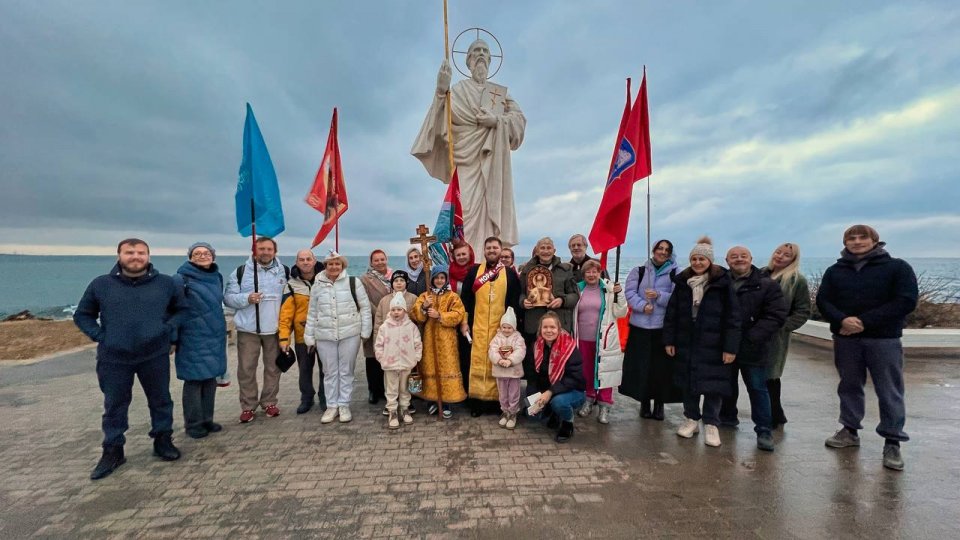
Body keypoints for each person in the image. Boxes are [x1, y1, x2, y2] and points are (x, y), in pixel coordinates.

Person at [74, 238, 188, 480]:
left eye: (141, 253)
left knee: (160, 400)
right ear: (119, 255)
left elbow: (182, 309)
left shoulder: (166, 283)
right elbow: (83, 315)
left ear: (148, 256)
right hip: (114, 357)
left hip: (154, 354)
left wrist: (166, 329)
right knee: (114, 405)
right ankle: (113, 451)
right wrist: (101, 336)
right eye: (130, 252)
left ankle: (163, 440)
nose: (135, 257)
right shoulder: (101, 284)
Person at [817, 225, 918, 471]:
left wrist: (863, 322)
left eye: (863, 237)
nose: (857, 241)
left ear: (875, 241)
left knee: (889, 390)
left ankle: (892, 441)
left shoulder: (897, 267)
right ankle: (849, 430)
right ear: (845, 242)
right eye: (852, 238)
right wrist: (842, 320)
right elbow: (823, 300)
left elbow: (906, 300)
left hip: (884, 339)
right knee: (849, 385)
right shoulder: (835, 271)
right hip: (846, 339)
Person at [412, 38, 526, 251]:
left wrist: (496, 121)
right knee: (465, 214)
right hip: (465, 165)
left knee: (491, 211)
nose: (481, 54)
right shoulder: (457, 92)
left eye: (485, 51)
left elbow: (519, 121)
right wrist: (440, 91)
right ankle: (466, 261)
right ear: (468, 61)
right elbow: (437, 124)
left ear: (491, 60)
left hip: (493, 166)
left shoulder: (499, 94)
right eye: (476, 51)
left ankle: (490, 260)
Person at [663, 237, 741, 448]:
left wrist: (730, 347)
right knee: (688, 384)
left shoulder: (722, 284)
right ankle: (691, 419)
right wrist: (669, 340)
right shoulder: (682, 283)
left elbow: (733, 318)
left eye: (702, 259)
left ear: (710, 261)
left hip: (714, 343)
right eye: (694, 259)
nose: (697, 263)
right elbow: (672, 313)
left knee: (713, 386)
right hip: (686, 341)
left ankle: (711, 423)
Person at [717, 246, 787, 452]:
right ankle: (727, 418)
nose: (739, 260)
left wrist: (752, 336)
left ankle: (764, 430)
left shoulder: (766, 284)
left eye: (743, 256)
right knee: (726, 385)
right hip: (726, 345)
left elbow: (776, 315)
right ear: (727, 260)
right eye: (734, 257)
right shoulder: (721, 283)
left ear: (751, 258)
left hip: (754, 346)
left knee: (757, 389)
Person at [223, 236, 288, 423]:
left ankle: (269, 401)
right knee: (246, 369)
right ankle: (248, 406)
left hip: (274, 329)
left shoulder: (283, 271)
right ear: (254, 250)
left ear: (275, 252)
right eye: (261, 249)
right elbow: (228, 298)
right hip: (248, 329)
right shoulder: (241, 272)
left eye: (269, 249)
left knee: (273, 368)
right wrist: (246, 298)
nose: (265, 252)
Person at [304, 251, 372, 424]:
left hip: (350, 333)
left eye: (337, 264)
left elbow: (364, 307)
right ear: (325, 266)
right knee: (329, 371)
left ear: (343, 266)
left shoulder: (353, 282)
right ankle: (331, 405)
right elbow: (312, 312)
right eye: (330, 264)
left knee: (346, 371)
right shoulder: (317, 285)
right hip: (324, 335)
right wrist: (309, 336)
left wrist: (365, 331)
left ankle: (344, 404)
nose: (334, 267)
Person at [460, 237, 523, 416]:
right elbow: (465, 299)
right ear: (484, 250)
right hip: (477, 328)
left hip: (500, 330)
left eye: (495, 247)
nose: (492, 250)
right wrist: (464, 322)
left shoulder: (509, 274)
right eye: (488, 248)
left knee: (498, 362)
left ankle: (498, 403)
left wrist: (511, 327)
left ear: (500, 250)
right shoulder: (474, 272)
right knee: (476, 364)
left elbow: (514, 302)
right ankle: (476, 403)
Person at [620, 239, 680, 421]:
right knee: (642, 368)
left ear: (670, 253)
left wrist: (660, 296)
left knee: (661, 369)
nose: (662, 252)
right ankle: (644, 402)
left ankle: (659, 404)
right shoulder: (639, 271)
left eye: (666, 250)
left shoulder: (676, 274)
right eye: (659, 248)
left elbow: (678, 298)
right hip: (641, 328)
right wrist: (641, 305)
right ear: (653, 250)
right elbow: (629, 293)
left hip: (662, 328)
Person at [172, 242, 227, 439]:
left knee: (210, 379)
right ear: (190, 257)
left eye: (206, 253)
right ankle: (193, 424)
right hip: (191, 336)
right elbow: (173, 309)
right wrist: (173, 338)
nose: (202, 256)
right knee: (194, 381)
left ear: (213, 256)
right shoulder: (181, 279)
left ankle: (207, 419)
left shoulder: (216, 277)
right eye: (197, 253)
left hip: (214, 335)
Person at [519, 237, 580, 390]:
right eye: (542, 248)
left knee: (558, 364)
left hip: (557, 325)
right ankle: (533, 402)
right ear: (537, 250)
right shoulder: (527, 270)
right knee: (534, 366)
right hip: (534, 324)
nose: (545, 251)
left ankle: (554, 397)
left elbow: (575, 296)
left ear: (554, 250)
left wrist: (562, 300)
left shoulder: (565, 270)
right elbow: (520, 294)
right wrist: (523, 302)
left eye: (548, 248)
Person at [762, 243, 811, 428]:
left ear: (793, 259)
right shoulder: (761, 273)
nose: (780, 257)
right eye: (778, 252)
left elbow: (803, 311)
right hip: (754, 333)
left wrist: (782, 327)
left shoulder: (796, 281)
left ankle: (775, 415)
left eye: (787, 255)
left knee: (771, 376)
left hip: (776, 337)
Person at [573, 260, 627, 424]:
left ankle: (604, 405)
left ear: (600, 273)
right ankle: (589, 399)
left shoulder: (609, 289)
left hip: (603, 339)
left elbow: (621, 312)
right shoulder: (577, 289)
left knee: (605, 371)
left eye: (594, 271)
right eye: (588, 272)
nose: (591, 275)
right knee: (587, 371)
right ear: (584, 274)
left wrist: (620, 294)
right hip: (582, 338)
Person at [412, 267, 468, 418]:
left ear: (446, 279)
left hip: (447, 339)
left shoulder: (453, 296)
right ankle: (432, 401)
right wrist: (423, 307)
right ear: (432, 279)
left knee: (447, 367)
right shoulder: (425, 296)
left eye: (442, 278)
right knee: (429, 366)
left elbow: (458, 314)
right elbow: (416, 315)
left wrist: (440, 315)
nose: (439, 280)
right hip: (429, 338)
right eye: (436, 278)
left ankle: (447, 401)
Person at [279, 249, 326, 415]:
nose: (305, 262)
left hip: (324, 334)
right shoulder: (291, 285)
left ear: (314, 261)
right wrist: (284, 339)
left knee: (325, 369)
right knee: (305, 369)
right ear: (297, 262)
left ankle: (324, 396)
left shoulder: (325, 280)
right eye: (302, 260)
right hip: (302, 335)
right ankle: (306, 398)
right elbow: (285, 315)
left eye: (308, 259)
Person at [530, 312, 587, 443]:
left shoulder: (569, 347)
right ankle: (553, 412)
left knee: (558, 402)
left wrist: (550, 393)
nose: (548, 331)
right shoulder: (537, 345)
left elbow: (573, 379)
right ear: (540, 329)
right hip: (549, 389)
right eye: (545, 327)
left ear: (559, 329)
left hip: (574, 390)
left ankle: (568, 422)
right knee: (531, 412)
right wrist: (533, 394)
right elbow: (532, 373)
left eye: (552, 327)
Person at [373, 270, 419, 416]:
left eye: (402, 280)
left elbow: (419, 323)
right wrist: (379, 353)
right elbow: (379, 324)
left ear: (406, 282)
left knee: (405, 383)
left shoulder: (413, 298)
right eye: (396, 280)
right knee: (391, 383)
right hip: (390, 352)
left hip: (407, 351)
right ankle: (391, 407)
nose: (399, 283)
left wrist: (416, 355)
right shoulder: (385, 301)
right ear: (392, 283)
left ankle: (406, 405)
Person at [375, 293, 423, 429]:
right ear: (390, 311)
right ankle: (392, 411)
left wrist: (416, 358)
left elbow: (418, 343)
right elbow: (378, 345)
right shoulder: (385, 327)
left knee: (404, 388)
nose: (396, 312)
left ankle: (405, 408)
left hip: (407, 363)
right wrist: (381, 358)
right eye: (393, 310)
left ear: (404, 310)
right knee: (391, 389)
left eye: (399, 309)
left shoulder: (411, 327)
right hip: (389, 364)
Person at [360, 249, 393, 405]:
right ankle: (373, 390)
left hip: (394, 321)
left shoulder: (394, 276)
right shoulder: (365, 279)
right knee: (373, 357)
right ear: (371, 262)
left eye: (382, 259)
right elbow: (364, 301)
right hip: (375, 321)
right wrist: (381, 314)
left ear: (386, 259)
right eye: (376, 260)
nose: (380, 262)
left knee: (388, 357)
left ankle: (388, 389)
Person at [488, 307, 526, 429]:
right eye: (504, 327)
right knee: (503, 393)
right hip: (500, 371)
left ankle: (513, 413)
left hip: (513, 372)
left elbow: (520, 351)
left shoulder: (518, 338)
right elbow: (492, 350)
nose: (506, 330)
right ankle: (505, 411)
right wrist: (499, 360)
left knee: (513, 393)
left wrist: (510, 360)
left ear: (514, 327)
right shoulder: (497, 338)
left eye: (509, 327)